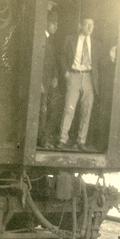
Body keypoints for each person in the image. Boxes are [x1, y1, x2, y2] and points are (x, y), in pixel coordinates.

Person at [57, 17, 99, 151]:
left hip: (88, 78)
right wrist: (66, 73)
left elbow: (99, 63)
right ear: (81, 25)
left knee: (86, 110)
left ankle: (81, 141)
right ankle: (62, 139)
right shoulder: (70, 39)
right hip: (74, 75)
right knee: (69, 109)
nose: (89, 27)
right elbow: (62, 55)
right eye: (87, 24)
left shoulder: (97, 43)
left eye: (92, 25)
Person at [38, 10, 59, 149]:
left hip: (49, 81)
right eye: (53, 23)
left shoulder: (50, 40)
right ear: (46, 23)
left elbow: (53, 61)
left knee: (49, 108)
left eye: (56, 23)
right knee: (42, 110)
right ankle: (42, 140)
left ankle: (45, 137)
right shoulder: (40, 39)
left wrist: (56, 76)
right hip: (42, 82)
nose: (55, 26)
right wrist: (38, 81)